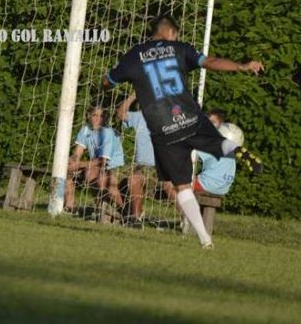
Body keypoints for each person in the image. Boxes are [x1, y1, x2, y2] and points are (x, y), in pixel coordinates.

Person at [103, 14, 263, 249]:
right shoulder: (178, 48)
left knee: (182, 187)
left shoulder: (133, 56)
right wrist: (241, 66)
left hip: (163, 130)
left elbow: (109, 81)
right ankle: (235, 150)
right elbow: (210, 62)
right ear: (170, 33)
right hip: (189, 118)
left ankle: (204, 239)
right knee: (216, 142)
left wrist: (108, 82)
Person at [116, 92, 176, 222]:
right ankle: (136, 218)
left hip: (161, 167)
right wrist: (133, 96)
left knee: (170, 186)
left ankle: (188, 220)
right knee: (131, 179)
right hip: (141, 166)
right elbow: (120, 114)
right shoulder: (140, 117)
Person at [64, 106, 126, 213]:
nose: (98, 119)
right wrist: (71, 161)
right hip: (97, 166)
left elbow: (103, 161)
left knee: (92, 174)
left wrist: (80, 164)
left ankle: (124, 210)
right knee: (65, 169)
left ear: (105, 118)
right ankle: (70, 206)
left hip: (114, 167)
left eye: (101, 116)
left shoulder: (107, 133)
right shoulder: (85, 130)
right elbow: (77, 153)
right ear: (89, 116)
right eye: (95, 115)